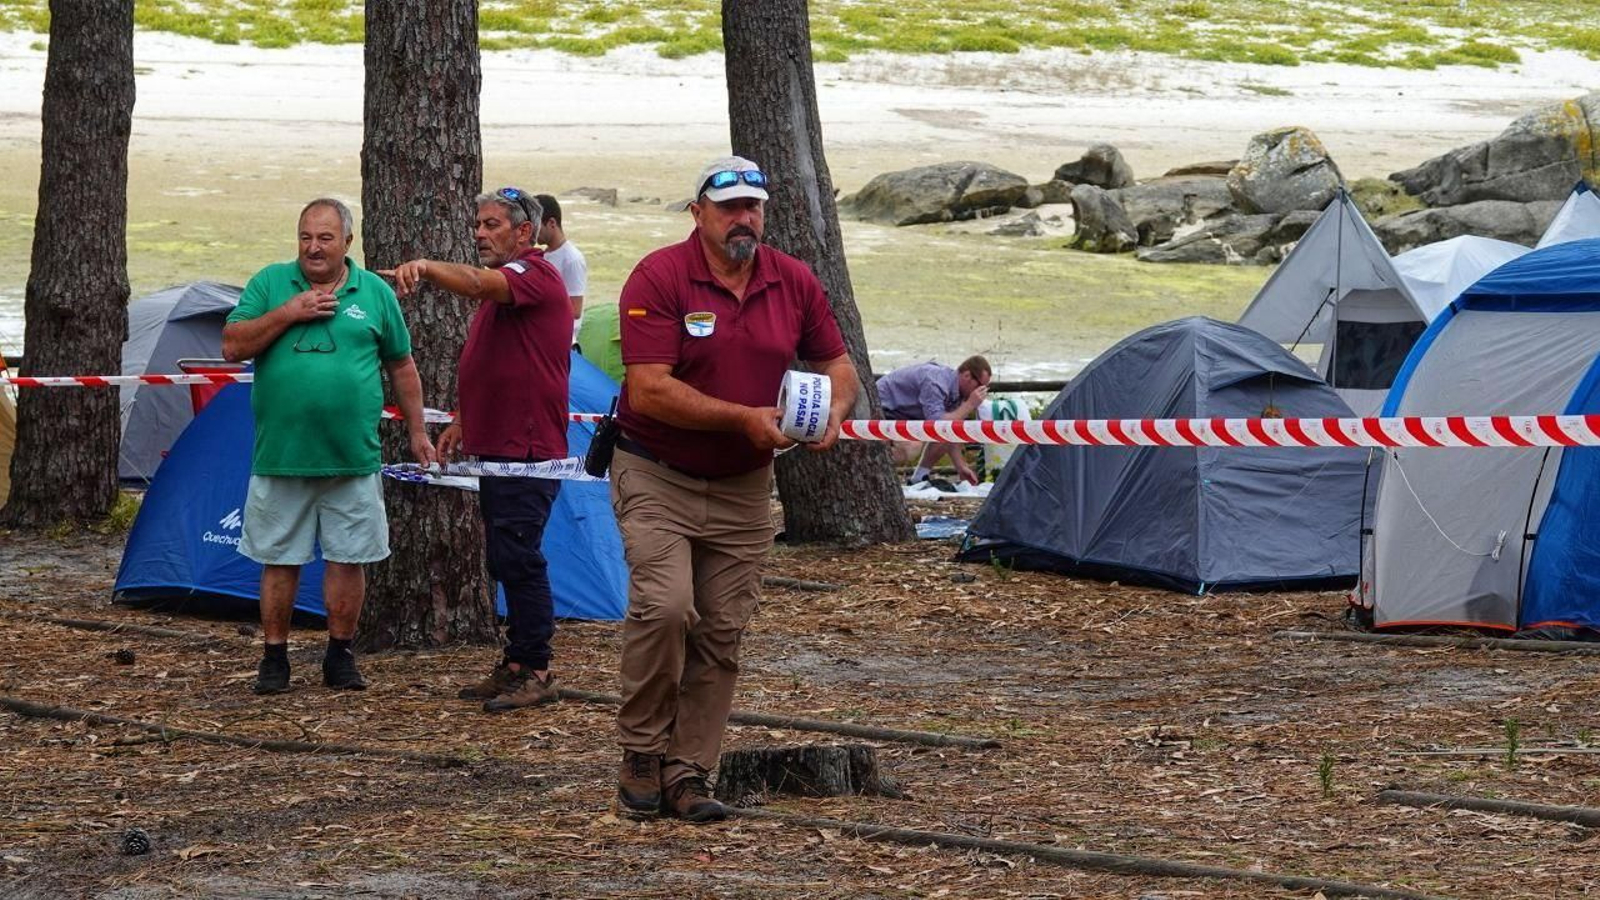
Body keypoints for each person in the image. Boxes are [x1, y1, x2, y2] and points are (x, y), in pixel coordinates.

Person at [611, 155, 858, 823]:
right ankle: (640, 749)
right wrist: (745, 419)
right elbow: (648, 388)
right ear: (698, 214)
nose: (742, 218)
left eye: (753, 206)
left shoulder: (792, 279)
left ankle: (689, 770)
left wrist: (834, 411)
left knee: (722, 630)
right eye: (728, 208)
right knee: (665, 608)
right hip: (655, 469)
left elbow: (837, 363)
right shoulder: (660, 275)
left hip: (744, 486)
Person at [221, 198, 434, 695]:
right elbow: (232, 345)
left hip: (352, 456)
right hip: (282, 456)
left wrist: (418, 431)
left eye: (325, 238)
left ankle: (340, 655)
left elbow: (401, 366)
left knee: (348, 558)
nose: (313, 248)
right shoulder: (270, 284)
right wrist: (289, 313)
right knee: (280, 558)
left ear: (347, 243)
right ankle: (275, 658)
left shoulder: (375, 292)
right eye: (305, 238)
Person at [382, 187, 572, 713]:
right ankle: (515, 663)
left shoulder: (533, 275)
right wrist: (465, 421)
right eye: (478, 224)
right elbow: (500, 361)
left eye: (491, 225)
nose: (480, 234)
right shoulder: (506, 292)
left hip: (528, 450)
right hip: (497, 445)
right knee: (505, 556)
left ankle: (536, 668)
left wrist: (424, 266)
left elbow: (473, 282)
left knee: (520, 557)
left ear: (524, 233)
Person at [876, 356, 992, 484]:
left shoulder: (958, 392)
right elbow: (937, 424)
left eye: (985, 389)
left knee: (947, 428)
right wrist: (969, 405)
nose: (980, 392)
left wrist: (961, 467)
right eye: (980, 386)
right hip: (881, 410)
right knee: (911, 447)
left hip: (902, 415)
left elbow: (950, 431)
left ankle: (919, 478)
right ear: (967, 376)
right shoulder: (936, 381)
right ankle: (877, 475)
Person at [534, 193, 587, 343]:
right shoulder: (544, 255)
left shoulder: (572, 259)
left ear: (551, 223)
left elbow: (575, 310)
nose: (533, 233)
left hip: (562, 341)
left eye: (537, 227)